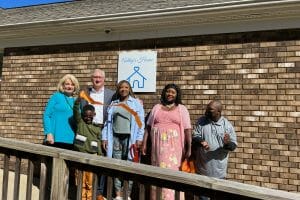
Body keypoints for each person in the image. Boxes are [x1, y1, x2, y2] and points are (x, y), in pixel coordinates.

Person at [142, 83, 192, 200]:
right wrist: (144, 144)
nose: (170, 94)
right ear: (164, 93)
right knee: (158, 173)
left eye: (173, 92)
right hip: (157, 149)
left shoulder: (181, 109)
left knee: (172, 174)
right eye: (168, 91)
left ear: (177, 95)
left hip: (174, 149)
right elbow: (148, 128)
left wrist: (189, 148)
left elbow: (187, 129)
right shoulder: (156, 108)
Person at [102, 80, 144, 200]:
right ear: (118, 89)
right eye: (121, 87)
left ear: (129, 89)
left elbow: (141, 123)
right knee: (117, 166)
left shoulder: (136, 103)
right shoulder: (114, 103)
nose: (123, 89)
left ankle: (128, 195)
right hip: (115, 138)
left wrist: (139, 138)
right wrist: (105, 137)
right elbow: (107, 123)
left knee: (129, 166)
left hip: (130, 140)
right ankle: (118, 195)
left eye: (126, 87)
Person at [192, 100, 237, 199]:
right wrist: (201, 141)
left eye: (210, 109)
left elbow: (233, 146)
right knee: (203, 198)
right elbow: (195, 136)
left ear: (218, 112)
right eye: (207, 108)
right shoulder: (201, 121)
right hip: (203, 170)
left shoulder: (227, 125)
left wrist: (227, 144)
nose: (207, 111)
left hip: (219, 172)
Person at [80, 69, 114, 199]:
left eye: (100, 77)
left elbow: (125, 99)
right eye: (95, 77)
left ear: (104, 79)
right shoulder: (84, 93)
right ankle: (87, 191)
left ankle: (99, 192)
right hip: (89, 129)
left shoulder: (111, 94)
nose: (97, 79)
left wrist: (137, 100)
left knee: (103, 160)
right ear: (91, 79)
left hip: (104, 130)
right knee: (87, 160)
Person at [73, 96, 103, 200]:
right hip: (79, 156)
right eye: (85, 116)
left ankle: (89, 198)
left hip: (92, 157)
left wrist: (100, 155)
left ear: (94, 115)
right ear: (82, 116)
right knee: (80, 180)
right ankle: (81, 197)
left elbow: (98, 143)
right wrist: (77, 101)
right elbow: (75, 110)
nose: (88, 118)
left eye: (90, 116)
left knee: (90, 181)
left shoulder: (97, 128)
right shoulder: (80, 123)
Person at [43, 74, 80, 149]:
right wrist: (49, 133)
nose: (70, 86)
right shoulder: (56, 96)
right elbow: (46, 115)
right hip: (55, 138)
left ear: (75, 87)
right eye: (67, 84)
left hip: (71, 139)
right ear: (62, 85)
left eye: (72, 84)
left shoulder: (76, 101)